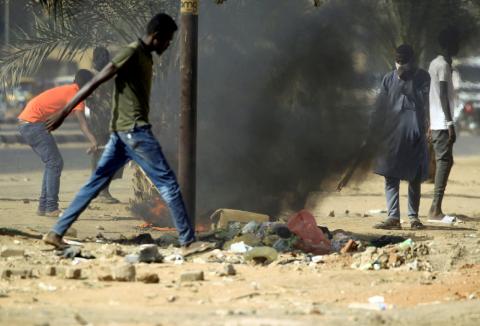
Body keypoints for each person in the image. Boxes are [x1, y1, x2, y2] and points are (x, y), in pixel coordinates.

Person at [42, 13, 201, 251]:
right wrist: (65, 111)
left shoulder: (146, 56)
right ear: (156, 36)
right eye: (168, 39)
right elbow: (94, 82)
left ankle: (56, 233)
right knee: (168, 184)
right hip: (134, 132)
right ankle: (188, 242)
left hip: (121, 134)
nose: (169, 44)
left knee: (94, 183)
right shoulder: (132, 52)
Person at [17, 70, 97, 217]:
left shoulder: (70, 89)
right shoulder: (76, 95)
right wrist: (94, 141)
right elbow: (82, 124)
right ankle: (51, 208)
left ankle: (44, 206)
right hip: (33, 124)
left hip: (27, 123)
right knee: (55, 163)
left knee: (51, 163)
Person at [370, 44, 430, 230]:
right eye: (398, 62)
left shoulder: (422, 77)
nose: (400, 65)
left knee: (414, 176)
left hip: (415, 133)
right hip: (393, 134)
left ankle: (413, 218)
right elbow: (380, 106)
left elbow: (423, 101)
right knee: (391, 175)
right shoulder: (388, 79)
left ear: (412, 62)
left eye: (403, 62)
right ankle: (393, 217)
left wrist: (407, 81)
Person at [427, 27, 460, 223]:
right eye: (457, 42)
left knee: (446, 162)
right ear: (449, 44)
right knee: (444, 162)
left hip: (436, 120)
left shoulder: (435, 63)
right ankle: (435, 209)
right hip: (441, 122)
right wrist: (449, 122)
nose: (459, 46)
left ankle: (436, 207)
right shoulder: (443, 66)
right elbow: (442, 94)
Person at [86, 46, 122, 204]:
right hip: (102, 121)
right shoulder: (96, 75)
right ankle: (102, 191)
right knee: (103, 155)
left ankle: (102, 190)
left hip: (107, 120)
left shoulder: (109, 74)